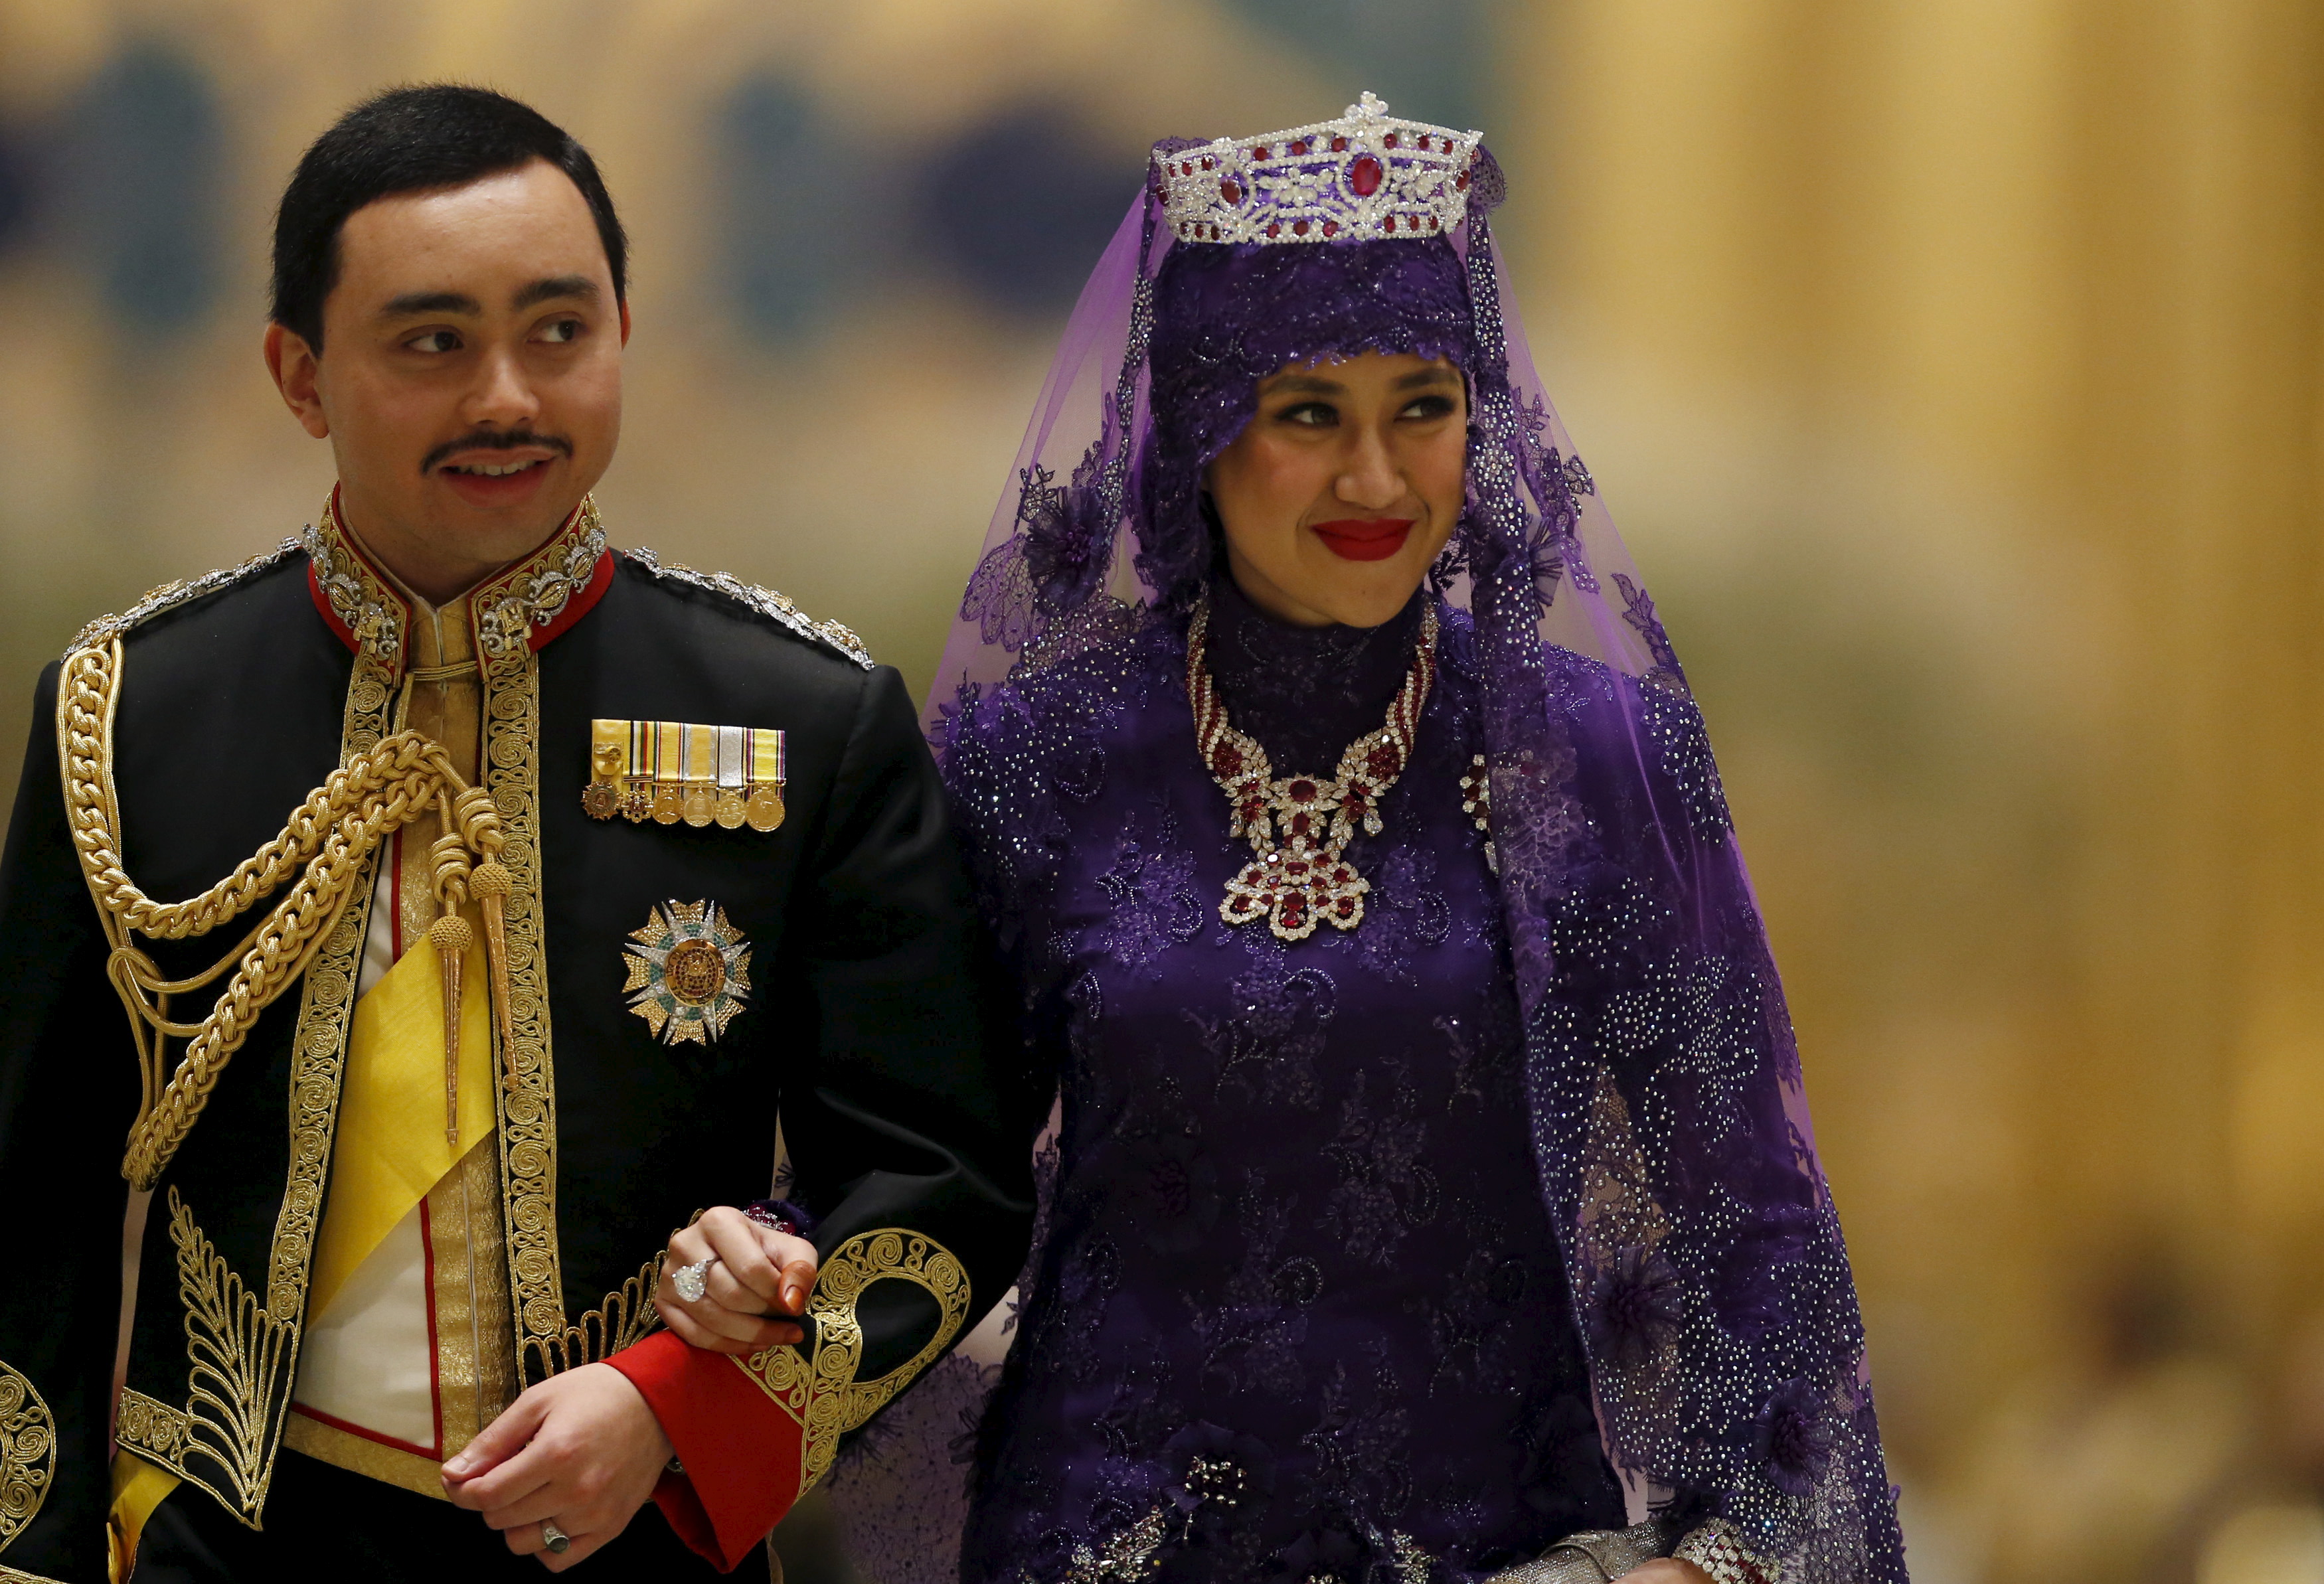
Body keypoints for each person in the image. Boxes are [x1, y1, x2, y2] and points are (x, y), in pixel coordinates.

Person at [661, 94, 1906, 1584]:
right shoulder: (1042, 759)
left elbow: (1750, 1218)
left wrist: (1722, 1558)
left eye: (1423, 407)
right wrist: (759, 1266)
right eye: (1308, 413)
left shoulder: (1589, 752)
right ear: (1199, 423)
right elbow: (936, 1167)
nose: (1376, 479)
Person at [0, 86, 1029, 1583]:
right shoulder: (127, 712)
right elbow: (27, 1207)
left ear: (623, 334)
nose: (508, 396)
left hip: (633, 1543)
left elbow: (943, 1186)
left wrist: (676, 1406)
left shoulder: (804, 719)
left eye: (558, 331)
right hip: (213, 1545)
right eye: (432, 342)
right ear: (300, 374)